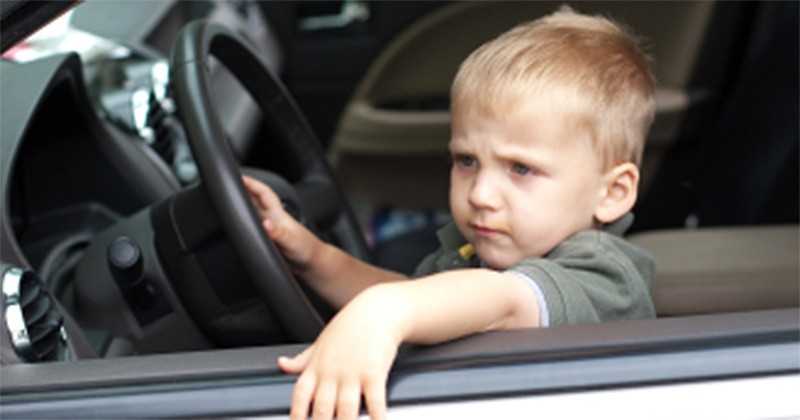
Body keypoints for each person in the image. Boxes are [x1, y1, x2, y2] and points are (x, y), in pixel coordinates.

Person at [243, 6, 656, 419]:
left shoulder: (605, 278)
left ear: (612, 193)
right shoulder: (483, 247)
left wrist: (384, 313)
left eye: (521, 168)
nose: (480, 194)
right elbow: (420, 294)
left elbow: (504, 300)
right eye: (466, 161)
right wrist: (316, 258)